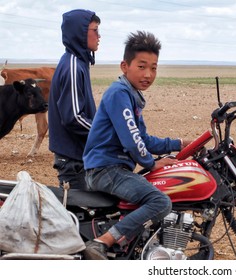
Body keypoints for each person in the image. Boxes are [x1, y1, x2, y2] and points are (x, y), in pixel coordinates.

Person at [82, 31, 191, 260]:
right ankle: (102, 243)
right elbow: (133, 141)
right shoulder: (119, 93)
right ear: (125, 66)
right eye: (142, 66)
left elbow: (144, 139)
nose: (148, 74)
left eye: (153, 68)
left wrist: (180, 144)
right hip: (106, 170)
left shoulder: (131, 96)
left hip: (111, 169)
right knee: (160, 201)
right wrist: (151, 164)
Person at [48, 9, 101, 190]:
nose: (99, 36)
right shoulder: (72, 66)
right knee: (80, 217)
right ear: (80, 32)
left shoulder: (78, 63)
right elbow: (74, 118)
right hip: (74, 161)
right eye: (95, 30)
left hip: (79, 157)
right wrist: (104, 133)